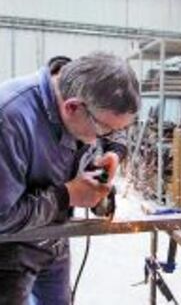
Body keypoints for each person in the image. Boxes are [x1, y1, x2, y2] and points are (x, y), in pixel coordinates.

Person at [0, 52, 140, 305]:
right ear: (72, 107)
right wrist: (68, 195)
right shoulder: (9, 119)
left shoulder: (85, 90)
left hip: (55, 237)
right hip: (9, 250)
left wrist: (114, 153)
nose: (106, 136)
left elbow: (111, 131)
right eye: (104, 130)